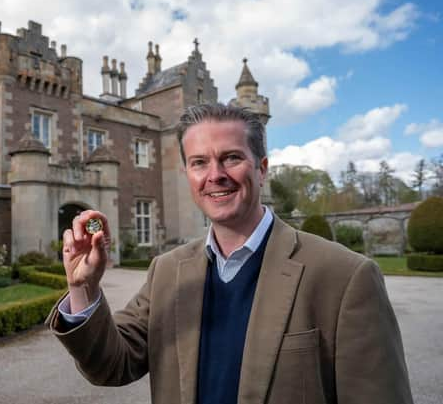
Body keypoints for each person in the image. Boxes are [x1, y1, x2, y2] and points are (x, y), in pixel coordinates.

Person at [46, 103, 413, 404]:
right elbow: (111, 365)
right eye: (199, 162)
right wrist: (84, 288)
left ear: (262, 168)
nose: (215, 175)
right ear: (188, 173)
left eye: (232, 158)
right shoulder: (167, 270)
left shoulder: (344, 275)